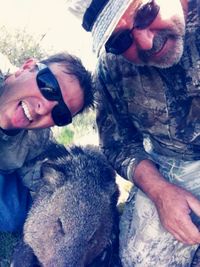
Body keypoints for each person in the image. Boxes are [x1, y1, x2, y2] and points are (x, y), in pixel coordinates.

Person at [67, 0, 200, 266]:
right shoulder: (110, 68)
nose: (146, 42)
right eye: (120, 40)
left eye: (146, 12)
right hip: (171, 168)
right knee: (140, 261)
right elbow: (118, 144)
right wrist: (160, 192)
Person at [0, 51, 94, 232]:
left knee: (15, 216)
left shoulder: (38, 141)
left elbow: (41, 182)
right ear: (27, 67)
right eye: (49, 87)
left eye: (60, 113)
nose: (44, 108)